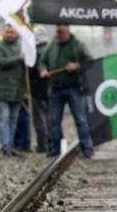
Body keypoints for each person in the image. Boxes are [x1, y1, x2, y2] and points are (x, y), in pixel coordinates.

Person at [40, 25, 93, 158]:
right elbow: (42, 62)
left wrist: (77, 66)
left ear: (68, 31)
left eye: (61, 32)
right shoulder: (51, 45)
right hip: (55, 89)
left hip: (74, 87)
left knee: (81, 119)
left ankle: (87, 149)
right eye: (57, 32)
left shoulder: (78, 45)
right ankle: (54, 149)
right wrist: (43, 70)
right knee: (54, 120)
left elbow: (90, 61)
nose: (58, 34)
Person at [0, 24, 26, 156]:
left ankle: (10, 146)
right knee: (4, 119)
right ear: (4, 33)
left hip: (17, 90)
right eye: (7, 32)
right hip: (3, 88)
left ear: (16, 33)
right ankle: (5, 146)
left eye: (12, 32)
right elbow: (0, 62)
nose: (10, 34)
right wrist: (18, 59)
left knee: (13, 120)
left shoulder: (21, 47)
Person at [30, 26, 50, 153]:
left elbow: (31, 70)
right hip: (51, 87)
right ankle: (53, 142)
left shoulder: (33, 53)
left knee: (39, 118)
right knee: (51, 117)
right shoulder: (51, 49)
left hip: (36, 89)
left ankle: (42, 144)